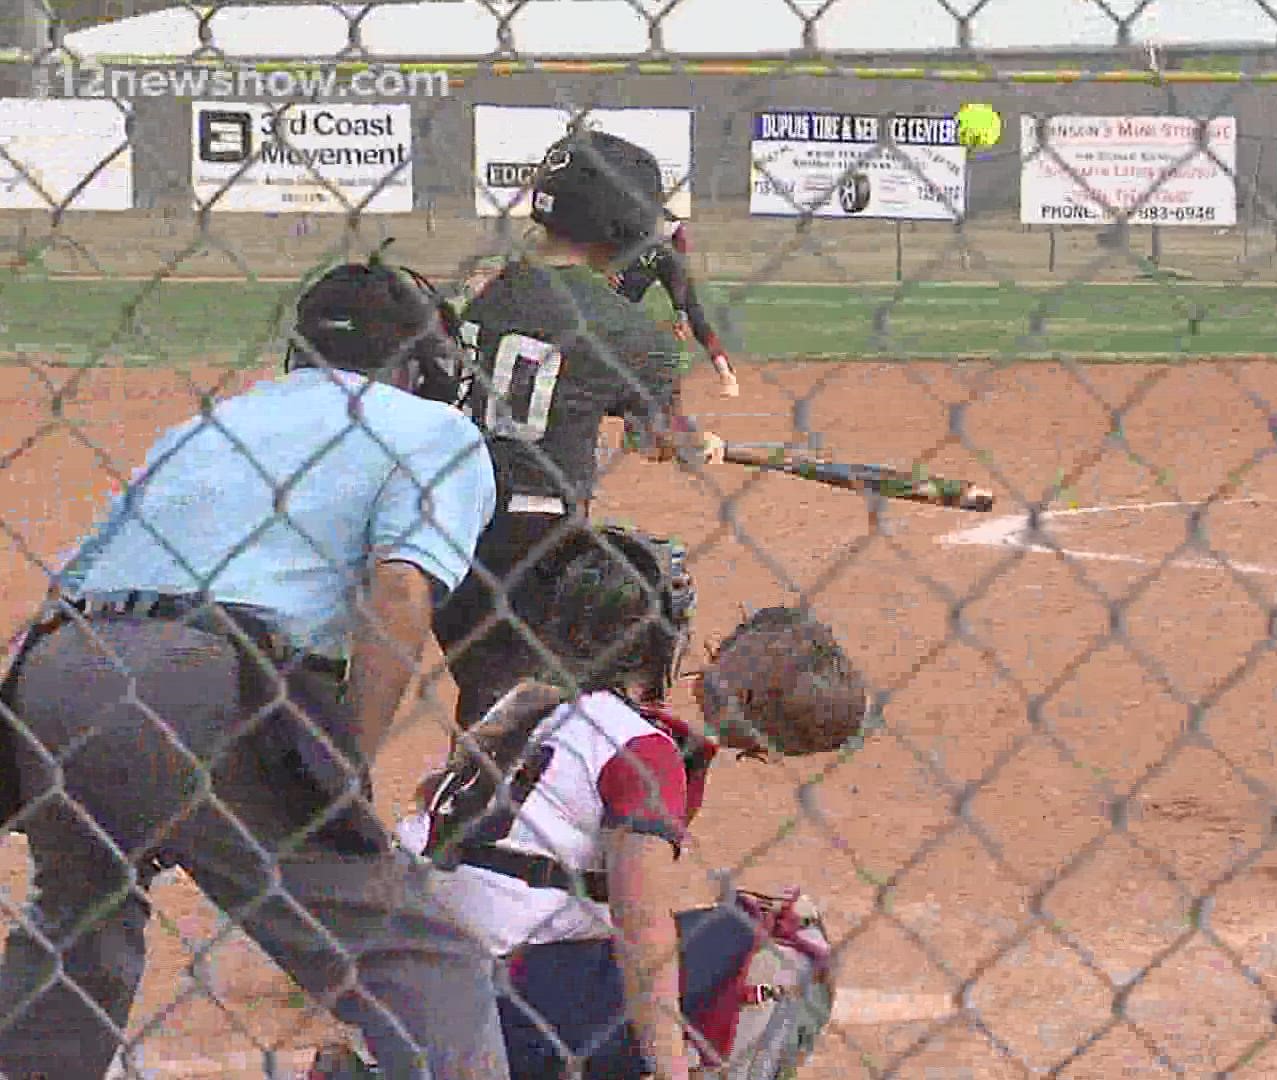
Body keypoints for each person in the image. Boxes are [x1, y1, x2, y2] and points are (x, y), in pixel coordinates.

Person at [0, 247, 510, 1078]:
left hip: (61, 671)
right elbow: (401, 593)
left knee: (77, 925)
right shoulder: (435, 428)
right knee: (424, 961)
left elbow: (68, 592)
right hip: (203, 681)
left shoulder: (205, 424)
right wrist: (344, 768)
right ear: (421, 362)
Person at [308, 527, 867, 1079]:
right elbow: (641, 925)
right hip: (492, 1003)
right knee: (785, 936)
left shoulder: (526, 709)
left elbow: (434, 807)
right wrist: (669, 1067)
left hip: (397, 985)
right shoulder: (642, 749)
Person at [432, 128, 725, 734]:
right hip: (532, 542)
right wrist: (694, 442)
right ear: (621, 226)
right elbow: (656, 439)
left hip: (439, 527)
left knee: (486, 689)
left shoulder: (475, 290)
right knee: (533, 710)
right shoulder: (629, 333)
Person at [612, 209, 740, 399]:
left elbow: (678, 270)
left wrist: (680, 312)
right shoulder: (621, 218)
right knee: (617, 314)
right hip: (638, 262)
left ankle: (726, 374)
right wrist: (612, 268)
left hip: (668, 260)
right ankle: (612, 375)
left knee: (695, 316)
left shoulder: (668, 226)